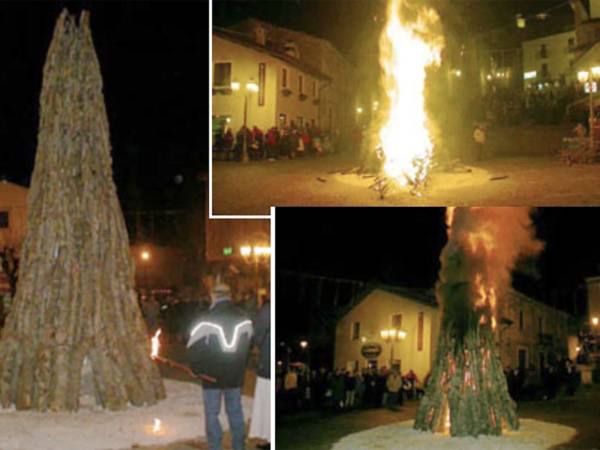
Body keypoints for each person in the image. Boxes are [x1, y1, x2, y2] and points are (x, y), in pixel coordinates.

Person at [187, 280, 253, 450]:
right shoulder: (244, 318)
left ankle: (215, 446)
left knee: (212, 413)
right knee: (235, 411)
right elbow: (249, 345)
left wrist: (196, 369)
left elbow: (194, 347)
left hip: (211, 375)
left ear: (213, 296)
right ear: (230, 296)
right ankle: (239, 445)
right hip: (235, 374)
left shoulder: (205, 319)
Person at [249, 296, 270, 449]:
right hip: (269, 361)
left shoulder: (267, 309)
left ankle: (269, 438)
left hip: (267, 361)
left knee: (266, 401)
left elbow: (257, 333)